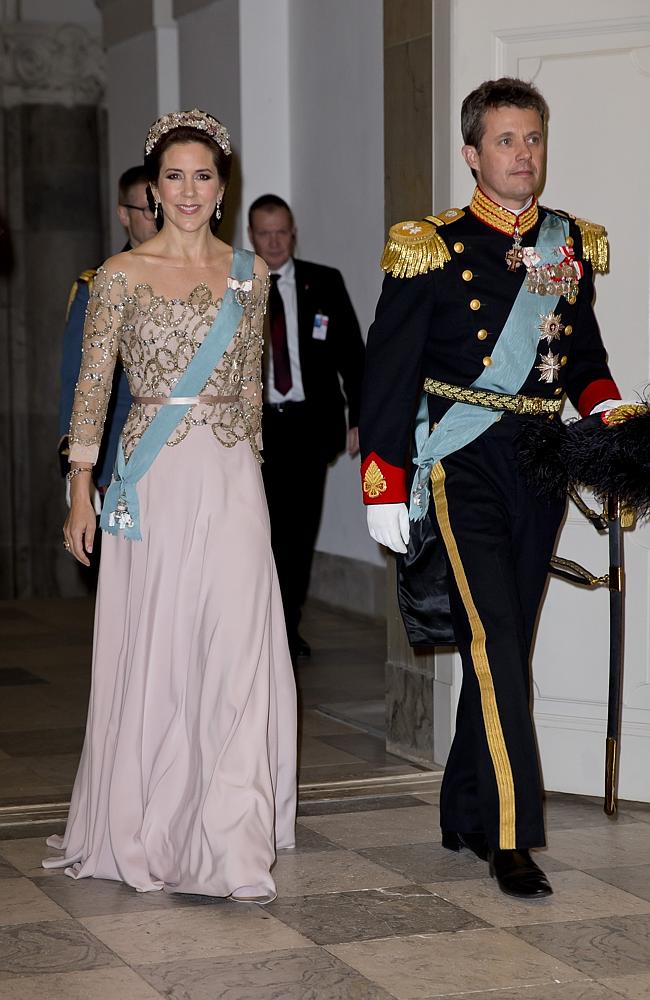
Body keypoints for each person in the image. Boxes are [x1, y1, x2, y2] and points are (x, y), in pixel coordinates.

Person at [359, 78, 623, 899]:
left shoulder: (565, 243)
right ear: (472, 154)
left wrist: (613, 414)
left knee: (501, 645)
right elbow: (388, 375)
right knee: (499, 641)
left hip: (540, 464)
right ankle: (512, 834)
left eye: (533, 139)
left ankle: (464, 805)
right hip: (460, 460)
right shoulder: (428, 245)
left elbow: (580, 360)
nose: (524, 155)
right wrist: (384, 484)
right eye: (507, 141)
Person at [44, 109, 297, 903]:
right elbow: (93, 392)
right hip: (150, 478)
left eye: (204, 177)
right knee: (159, 645)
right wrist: (80, 488)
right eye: (175, 177)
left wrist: (250, 476)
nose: (189, 191)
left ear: (223, 189)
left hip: (230, 478)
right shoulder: (117, 275)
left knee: (237, 650)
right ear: (153, 188)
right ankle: (151, 817)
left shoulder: (251, 275)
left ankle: (232, 833)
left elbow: (251, 390)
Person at [248, 194, 365, 659]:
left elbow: (353, 356)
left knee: (298, 537)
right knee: (260, 532)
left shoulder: (324, 283)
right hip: (254, 431)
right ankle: (256, 628)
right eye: (264, 233)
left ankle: (286, 627)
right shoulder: (236, 286)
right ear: (251, 236)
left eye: (282, 232)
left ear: (293, 233)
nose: (274, 242)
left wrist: (360, 417)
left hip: (308, 429)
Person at [58, 166, 157, 492]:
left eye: (160, 206)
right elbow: (78, 380)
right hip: (119, 456)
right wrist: (81, 472)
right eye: (145, 209)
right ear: (124, 215)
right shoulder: (99, 285)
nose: (156, 217)